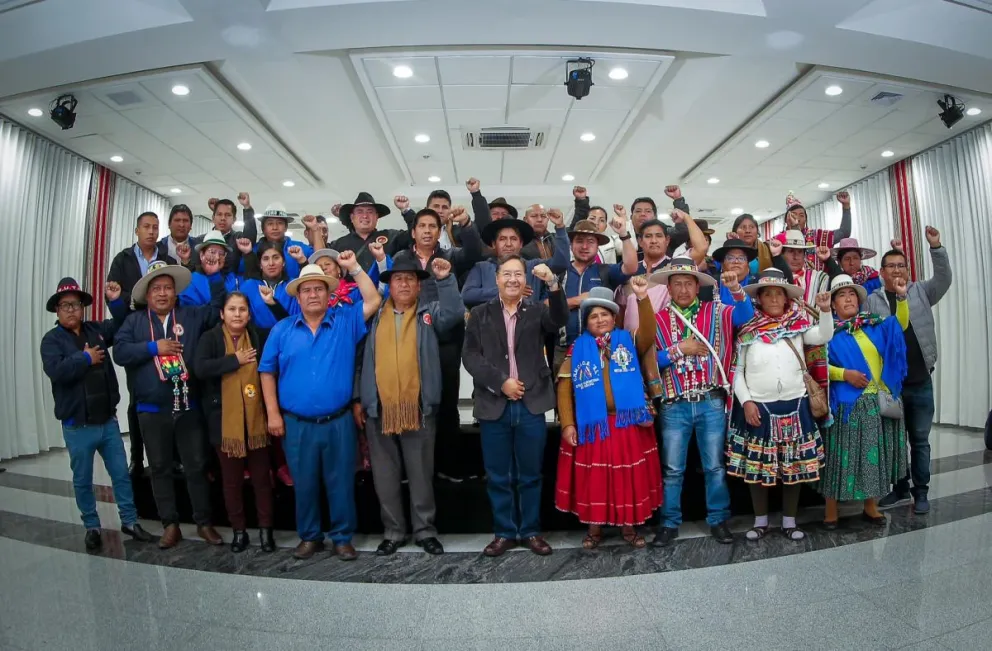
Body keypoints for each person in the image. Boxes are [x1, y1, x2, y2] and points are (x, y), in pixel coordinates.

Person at [259, 256, 382, 560]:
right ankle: (310, 536)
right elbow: (266, 372)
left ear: (329, 294)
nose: (313, 294)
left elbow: (374, 299)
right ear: (297, 297)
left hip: (338, 422)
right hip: (296, 424)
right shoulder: (282, 330)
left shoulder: (345, 322)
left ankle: (342, 538)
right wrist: (273, 414)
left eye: (318, 289)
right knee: (304, 484)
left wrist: (354, 267)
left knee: (341, 482)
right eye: (306, 290)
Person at [112, 262, 226, 549]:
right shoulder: (135, 322)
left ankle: (203, 522)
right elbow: (121, 352)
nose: (162, 294)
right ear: (147, 295)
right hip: (151, 409)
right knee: (160, 467)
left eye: (167, 288)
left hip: (187, 405)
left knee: (196, 466)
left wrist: (215, 277)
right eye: (156, 289)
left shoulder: (191, 315)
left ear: (176, 292)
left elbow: (217, 309)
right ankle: (170, 524)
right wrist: (154, 348)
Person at [355, 257, 465, 556]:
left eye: (410, 279)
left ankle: (425, 530)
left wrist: (445, 280)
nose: (403, 284)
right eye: (397, 279)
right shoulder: (373, 316)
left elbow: (454, 314)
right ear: (389, 285)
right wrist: (358, 398)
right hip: (379, 409)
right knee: (385, 476)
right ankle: (393, 531)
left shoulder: (430, 315)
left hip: (419, 409)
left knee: (420, 474)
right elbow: (357, 358)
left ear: (419, 285)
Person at [463, 257, 568, 556]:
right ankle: (505, 532)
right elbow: (470, 356)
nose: (512, 279)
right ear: (496, 279)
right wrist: (501, 382)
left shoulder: (537, 311)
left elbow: (559, 318)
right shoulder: (480, 314)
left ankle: (531, 531)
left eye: (518, 274)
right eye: (506, 274)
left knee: (531, 473)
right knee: (498, 475)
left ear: (526, 280)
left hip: (530, 403)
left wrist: (552, 284)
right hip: (493, 403)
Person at [39, 278, 155, 550]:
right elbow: (57, 371)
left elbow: (124, 323)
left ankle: (129, 520)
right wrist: (86, 359)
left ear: (83, 308)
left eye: (76, 305)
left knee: (121, 475)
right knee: (83, 480)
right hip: (77, 427)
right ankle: (91, 526)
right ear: (57, 310)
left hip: (107, 422)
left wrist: (115, 302)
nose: (71, 310)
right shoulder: (51, 340)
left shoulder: (96, 330)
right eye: (65, 305)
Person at [646, 257, 754, 546]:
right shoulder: (655, 320)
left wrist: (738, 290)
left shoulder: (718, 311)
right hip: (674, 404)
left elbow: (746, 317)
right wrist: (679, 349)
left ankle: (718, 520)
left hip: (710, 401)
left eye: (688, 283)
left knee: (715, 467)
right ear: (668, 287)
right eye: (677, 284)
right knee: (672, 469)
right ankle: (669, 523)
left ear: (697, 287)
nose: (683, 289)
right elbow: (648, 361)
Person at [727, 269, 834, 542]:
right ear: (759, 298)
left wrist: (824, 310)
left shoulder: (799, 326)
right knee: (757, 469)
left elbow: (824, 335)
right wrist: (747, 401)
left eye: (779, 293)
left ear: (786, 298)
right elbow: (737, 373)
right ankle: (760, 521)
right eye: (768, 293)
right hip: (759, 409)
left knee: (793, 468)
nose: (774, 298)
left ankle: (789, 521)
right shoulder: (747, 331)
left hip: (796, 407)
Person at [555, 282, 662, 549]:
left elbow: (649, 331)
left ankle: (629, 528)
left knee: (628, 480)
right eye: (594, 316)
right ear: (587, 322)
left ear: (614, 318)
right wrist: (568, 424)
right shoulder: (577, 349)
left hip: (627, 425)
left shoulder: (628, 340)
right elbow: (565, 388)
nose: (600, 319)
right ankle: (594, 529)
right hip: (595, 427)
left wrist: (642, 298)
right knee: (595, 481)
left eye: (605, 314)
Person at [870, 227, 951, 514]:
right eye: (890, 266)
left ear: (907, 269)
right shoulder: (873, 301)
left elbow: (944, 278)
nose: (896, 270)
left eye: (901, 265)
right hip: (891, 385)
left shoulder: (921, 292)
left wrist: (936, 246)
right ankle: (899, 487)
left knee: (919, 440)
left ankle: (921, 491)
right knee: (894, 441)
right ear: (881, 272)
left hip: (920, 381)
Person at [821, 274, 910, 528]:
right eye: (841, 295)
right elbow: (816, 366)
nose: (848, 299)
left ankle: (870, 506)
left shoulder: (874, 324)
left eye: (852, 294)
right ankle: (830, 509)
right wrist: (843, 374)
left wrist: (902, 298)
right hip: (846, 404)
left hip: (875, 402)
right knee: (840, 457)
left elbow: (900, 325)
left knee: (873, 457)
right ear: (833, 304)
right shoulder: (827, 331)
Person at [193, 292, 276, 553]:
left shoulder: (259, 337)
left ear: (249, 314)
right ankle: (239, 531)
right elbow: (200, 368)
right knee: (232, 482)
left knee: (263, 480)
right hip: (224, 425)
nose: (237, 314)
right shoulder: (210, 338)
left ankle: (266, 531)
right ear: (222, 314)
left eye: (242, 309)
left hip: (256, 422)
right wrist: (235, 361)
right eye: (232, 309)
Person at [107, 211, 178, 474]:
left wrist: (132, 299)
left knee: (172, 393)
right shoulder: (123, 259)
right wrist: (132, 302)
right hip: (135, 330)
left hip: (166, 330)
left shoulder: (167, 259)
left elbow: (174, 296)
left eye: (155, 227)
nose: (151, 231)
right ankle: (137, 457)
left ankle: (172, 456)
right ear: (136, 230)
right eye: (146, 227)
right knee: (138, 397)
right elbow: (114, 296)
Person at [552, 217, 638, 366]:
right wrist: (576, 301)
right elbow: (544, 305)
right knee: (562, 389)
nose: (585, 246)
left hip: (602, 347)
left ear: (598, 246)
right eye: (579, 241)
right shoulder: (558, 272)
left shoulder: (606, 271)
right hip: (563, 349)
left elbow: (631, 267)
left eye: (590, 242)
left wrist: (624, 234)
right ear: (571, 245)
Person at [619, 212, 709, 330]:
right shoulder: (630, 269)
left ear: (667, 240)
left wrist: (686, 218)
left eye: (659, 236)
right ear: (640, 241)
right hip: (631, 342)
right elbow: (620, 310)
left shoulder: (676, 266)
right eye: (648, 236)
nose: (654, 240)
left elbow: (701, 247)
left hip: (664, 339)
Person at [462, 212, 569, 308]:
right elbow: (467, 295)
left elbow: (561, 263)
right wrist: (504, 291)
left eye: (513, 239)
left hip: (528, 327)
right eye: (502, 239)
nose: (508, 244)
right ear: (494, 244)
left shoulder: (534, 266)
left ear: (521, 243)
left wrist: (560, 227)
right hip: (491, 328)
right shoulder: (481, 267)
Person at [396, 178, 494, 251]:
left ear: (450, 211)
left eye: (445, 207)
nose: (440, 211)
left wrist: (476, 194)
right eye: (436, 206)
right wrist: (406, 210)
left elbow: (484, 228)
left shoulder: (459, 232)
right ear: (426, 210)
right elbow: (414, 221)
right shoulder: (416, 233)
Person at [330, 192, 411, 271]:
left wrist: (406, 211)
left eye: (370, 212)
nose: (365, 216)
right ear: (352, 217)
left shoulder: (391, 236)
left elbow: (415, 235)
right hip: (352, 285)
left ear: (376, 216)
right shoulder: (338, 245)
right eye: (360, 212)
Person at [774, 191, 851, 270]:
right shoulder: (777, 240)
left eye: (801, 215)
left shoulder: (819, 236)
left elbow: (844, 232)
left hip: (818, 281)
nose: (797, 219)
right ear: (786, 220)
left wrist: (846, 206)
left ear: (806, 220)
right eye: (793, 214)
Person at [254, 208, 312, 279]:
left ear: (286, 227)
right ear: (263, 229)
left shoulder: (300, 248)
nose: (275, 227)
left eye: (280, 223)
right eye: (270, 224)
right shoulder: (253, 250)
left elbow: (321, 258)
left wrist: (315, 229)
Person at [207, 193, 257, 274]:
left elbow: (249, 238)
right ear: (213, 218)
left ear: (234, 219)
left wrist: (247, 207)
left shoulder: (238, 238)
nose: (223, 218)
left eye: (228, 215)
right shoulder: (203, 240)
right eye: (219, 214)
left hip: (232, 284)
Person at [158, 204, 200, 268]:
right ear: (169, 224)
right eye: (177, 220)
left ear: (191, 225)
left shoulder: (198, 248)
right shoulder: (158, 248)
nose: (181, 225)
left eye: (185, 221)